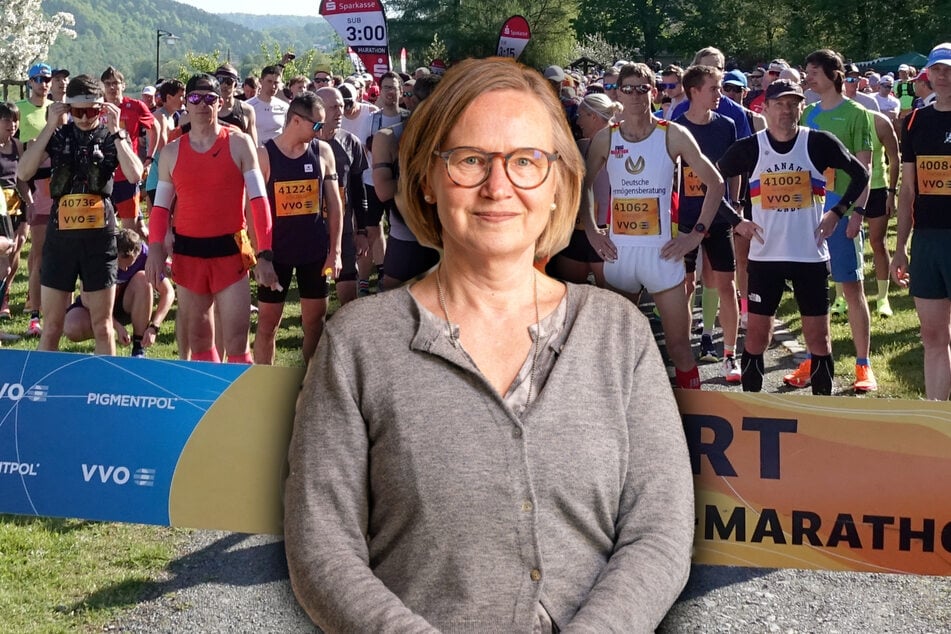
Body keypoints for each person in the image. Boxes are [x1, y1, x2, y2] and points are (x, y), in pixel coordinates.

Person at [284, 56, 693, 633]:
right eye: (470, 159)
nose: (498, 186)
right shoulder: (359, 344)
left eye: (526, 161)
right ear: (427, 181)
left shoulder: (618, 334)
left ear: (559, 186)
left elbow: (660, 530)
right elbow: (321, 549)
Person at [581, 62, 728, 390]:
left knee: (680, 349)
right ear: (619, 94)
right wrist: (592, 230)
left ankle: (694, 411)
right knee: (616, 349)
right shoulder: (606, 138)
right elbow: (583, 185)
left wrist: (695, 236)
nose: (635, 95)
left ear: (654, 92)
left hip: (663, 256)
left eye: (642, 88)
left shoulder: (672, 134)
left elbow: (716, 183)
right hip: (620, 256)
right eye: (628, 89)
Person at [719, 79, 868, 395]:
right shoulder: (750, 147)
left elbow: (861, 174)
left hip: (809, 255)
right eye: (779, 104)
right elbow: (711, 182)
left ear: (801, 108)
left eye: (793, 104)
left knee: (819, 339)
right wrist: (737, 221)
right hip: (765, 258)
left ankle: (822, 409)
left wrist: (837, 212)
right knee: (757, 336)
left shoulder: (818, 142)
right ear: (765, 108)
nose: (786, 110)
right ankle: (754, 407)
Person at [144, 74, 279, 363]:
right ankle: (209, 391)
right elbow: (160, 209)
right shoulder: (171, 152)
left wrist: (265, 253)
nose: (202, 104)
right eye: (195, 98)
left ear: (220, 103)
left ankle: (239, 392)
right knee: (199, 340)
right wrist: (155, 247)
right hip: (189, 254)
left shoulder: (239, 144)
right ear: (186, 103)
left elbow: (259, 201)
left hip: (230, 252)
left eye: (210, 98)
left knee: (237, 342)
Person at [16, 74, 144, 355]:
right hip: (61, 240)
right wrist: (50, 126)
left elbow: (135, 174)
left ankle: (104, 382)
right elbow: (23, 172)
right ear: (67, 108)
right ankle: (43, 383)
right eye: (77, 112)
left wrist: (117, 132)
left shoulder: (110, 137)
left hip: (99, 241)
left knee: (102, 326)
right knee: (51, 327)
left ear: (102, 108)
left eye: (92, 111)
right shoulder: (58, 135)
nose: (85, 118)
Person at [797, 49, 876, 393]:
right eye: (807, 72)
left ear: (834, 75)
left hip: (842, 210)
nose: (808, 78)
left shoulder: (857, 113)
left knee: (851, 287)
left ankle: (863, 364)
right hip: (809, 211)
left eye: (814, 72)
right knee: (811, 288)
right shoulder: (808, 113)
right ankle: (812, 358)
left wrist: (857, 212)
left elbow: (865, 168)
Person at [253, 93, 343, 365]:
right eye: (317, 125)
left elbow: (335, 205)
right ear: (295, 121)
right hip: (276, 253)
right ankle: (264, 381)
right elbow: (253, 210)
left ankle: (311, 380)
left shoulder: (322, 151)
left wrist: (335, 252)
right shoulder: (265, 155)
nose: (321, 131)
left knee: (315, 322)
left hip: (313, 251)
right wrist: (262, 256)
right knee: (268, 324)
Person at [891, 43, 951, 400]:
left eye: (950, 69)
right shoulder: (915, 121)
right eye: (938, 70)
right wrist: (900, 247)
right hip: (927, 240)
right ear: (927, 74)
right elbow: (908, 190)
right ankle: (935, 413)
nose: (944, 76)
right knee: (932, 336)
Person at [546, 92, 622, 287]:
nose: (578, 121)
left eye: (581, 115)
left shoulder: (621, 147)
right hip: (577, 232)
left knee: (611, 298)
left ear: (593, 116)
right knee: (570, 294)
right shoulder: (580, 147)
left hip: (608, 233)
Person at [63, 228, 174, 357]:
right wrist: (116, 326)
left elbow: (168, 292)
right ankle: (104, 339)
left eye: (130, 265)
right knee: (71, 327)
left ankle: (138, 347)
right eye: (121, 265)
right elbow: (87, 299)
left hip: (126, 304)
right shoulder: (97, 256)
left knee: (143, 278)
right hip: (97, 305)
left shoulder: (145, 254)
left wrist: (154, 326)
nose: (125, 269)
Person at [247, 65, 288, 144]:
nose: (273, 86)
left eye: (276, 83)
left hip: (277, 150)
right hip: (255, 149)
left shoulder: (285, 107)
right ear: (261, 81)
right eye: (269, 81)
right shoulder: (248, 106)